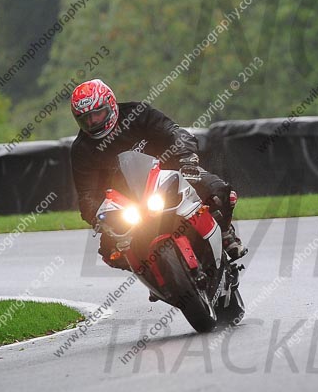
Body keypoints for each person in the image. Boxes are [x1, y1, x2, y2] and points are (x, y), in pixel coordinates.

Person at [69, 79, 246, 273]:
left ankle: (226, 233)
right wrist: (99, 218)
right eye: (85, 118)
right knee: (110, 252)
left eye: (97, 114)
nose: (93, 122)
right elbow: (86, 196)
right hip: (127, 202)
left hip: (170, 174)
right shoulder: (81, 149)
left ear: (110, 104)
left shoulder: (137, 113)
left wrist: (186, 158)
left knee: (220, 192)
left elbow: (174, 132)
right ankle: (155, 275)